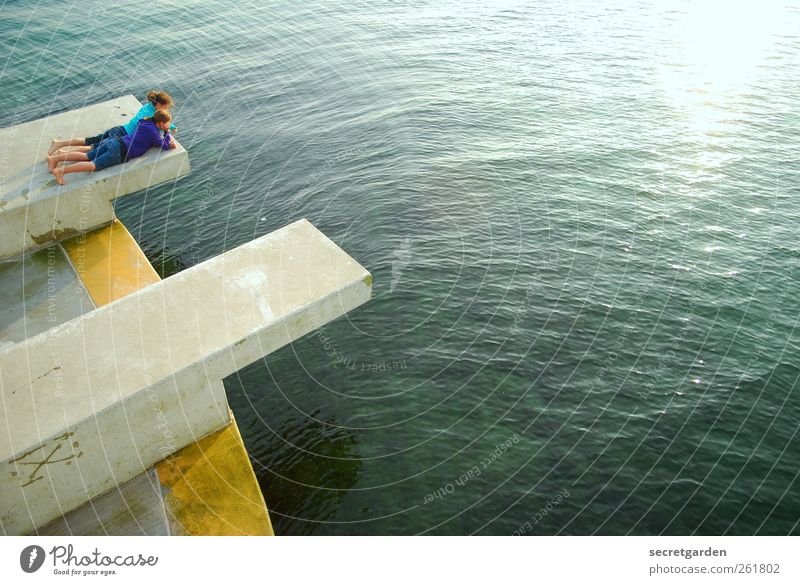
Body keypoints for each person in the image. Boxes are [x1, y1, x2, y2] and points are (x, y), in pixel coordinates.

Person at [47, 110, 177, 185]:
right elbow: (165, 146)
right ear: (160, 123)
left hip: (116, 141)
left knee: (86, 155)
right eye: (167, 123)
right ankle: (61, 171)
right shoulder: (154, 133)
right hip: (120, 152)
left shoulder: (146, 122)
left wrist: (164, 130)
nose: (169, 125)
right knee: (92, 165)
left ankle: (56, 159)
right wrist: (167, 132)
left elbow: (143, 125)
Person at [48, 90, 176, 155]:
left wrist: (171, 126)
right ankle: (63, 154)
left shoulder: (148, 107)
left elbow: (160, 121)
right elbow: (154, 126)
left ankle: (60, 144)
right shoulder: (151, 114)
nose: (166, 109)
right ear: (159, 104)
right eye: (165, 107)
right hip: (121, 135)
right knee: (93, 148)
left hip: (120, 129)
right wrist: (167, 129)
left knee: (90, 141)